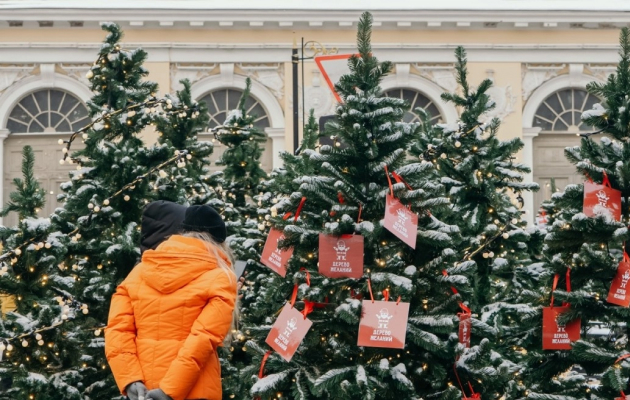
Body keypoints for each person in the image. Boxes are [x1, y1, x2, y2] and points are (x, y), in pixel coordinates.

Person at [105, 205, 238, 400]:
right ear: (219, 242)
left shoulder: (139, 272)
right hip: (193, 390)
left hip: (144, 390)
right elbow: (203, 339)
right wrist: (169, 391)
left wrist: (131, 379)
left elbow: (117, 330)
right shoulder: (221, 277)